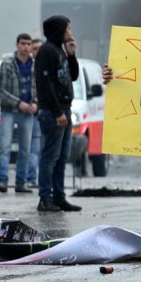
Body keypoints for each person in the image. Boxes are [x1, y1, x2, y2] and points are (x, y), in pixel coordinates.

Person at [35, 16, 81, 212]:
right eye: (67, 29)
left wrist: (71, 55)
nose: (70, 33)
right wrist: (57, 113)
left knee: (62, 156)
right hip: (53, 112)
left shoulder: (60, 51)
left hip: (65, 109)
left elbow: (74, 76)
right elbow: (45, 86)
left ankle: (59, 196)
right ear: (59, 30)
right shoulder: (46, 51)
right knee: (50, 156)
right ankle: (45, 198)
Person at [0, 33, 38, 194]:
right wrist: (19, 103)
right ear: (17, 44)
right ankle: (3, 181)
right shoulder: (7, 65)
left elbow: (39, 87)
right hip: (9, 111)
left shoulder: (35, 65)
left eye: (28, 44)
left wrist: (35, 103)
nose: (26, 47)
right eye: (23, 44)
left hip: (28, 113)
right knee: (4, 147)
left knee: (25, 149)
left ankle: (21, 182)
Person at [25, 38, 43, 188]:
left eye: (39, 48)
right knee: (32, 148)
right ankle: (31, 178)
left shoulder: (46, 65)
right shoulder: (28, 66)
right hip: (31, 112)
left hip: (45, 112)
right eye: (34, 48)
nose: (36, 52)